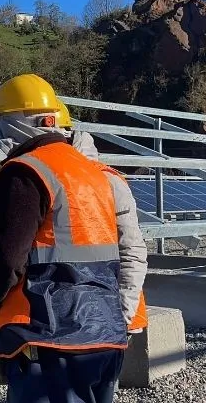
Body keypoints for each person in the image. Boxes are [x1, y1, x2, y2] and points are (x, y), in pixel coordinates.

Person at [0, 74, 128, 403]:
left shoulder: (24, 173)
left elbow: (6, 258)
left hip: (49, 338)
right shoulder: (94, 173)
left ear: (16, 123)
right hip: (105, 333)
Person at [55, 100, 148, 335]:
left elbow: (132, 251)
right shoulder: (50, 179)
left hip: (108, 310)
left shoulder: (109, 182)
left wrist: (122, 316)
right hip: (70, 313)